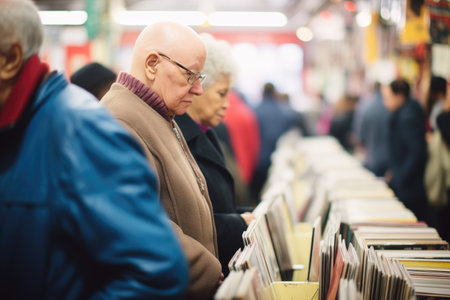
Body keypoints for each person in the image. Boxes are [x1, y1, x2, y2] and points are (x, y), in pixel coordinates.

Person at [0, 1, 188, 299]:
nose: (196, 90)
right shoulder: (16, 129)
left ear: (9, 59)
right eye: (190, 77)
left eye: (194, 77)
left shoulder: (82, 132)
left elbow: (156, 270)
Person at [100, 21, 222, 299]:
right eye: (191, 75)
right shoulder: (118, 121)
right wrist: (208, 271)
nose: (198, 90)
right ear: (153, 64)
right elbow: (137, 225)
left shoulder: (159, 113)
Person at [174, 34, 255, 276]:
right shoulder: (178, 138)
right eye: (221, 94)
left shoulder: (208, 132)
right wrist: (239, 223)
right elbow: (186, 223)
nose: (227, 104)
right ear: (198, 88)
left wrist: (244, 215)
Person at [382, 79, 429, 222]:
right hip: (409, 183)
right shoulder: (408, 112)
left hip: (410, 188)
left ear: (400, 96)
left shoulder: (407, 117)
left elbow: (416, 152)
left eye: (388, 98)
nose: (385, 103)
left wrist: (400, 176)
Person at [251, 82, 294, 203]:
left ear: (263, 93)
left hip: (258, 159)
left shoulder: (255, 111)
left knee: (257, 198)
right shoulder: (283, 112)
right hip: (278, 159)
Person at [353, 82, 391, 176]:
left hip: (371, 158)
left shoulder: (365, 107)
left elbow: (359, 136)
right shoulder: (389, 107)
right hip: (390, 160)